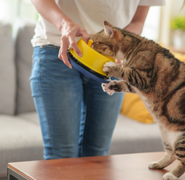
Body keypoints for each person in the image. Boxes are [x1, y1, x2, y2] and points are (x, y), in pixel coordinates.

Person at [30, 0, 165, 160]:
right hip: (59, 47)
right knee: (61, 157)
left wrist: (119, 45)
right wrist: (64, 23)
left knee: (97, 156)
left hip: (111, 58)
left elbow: (137, 21)